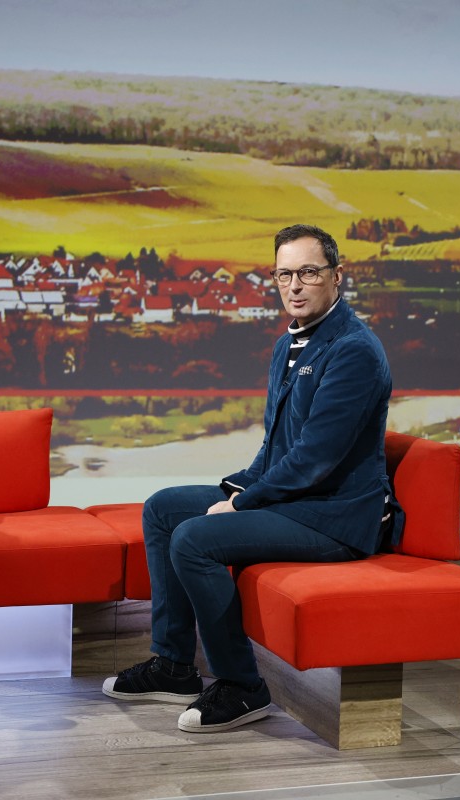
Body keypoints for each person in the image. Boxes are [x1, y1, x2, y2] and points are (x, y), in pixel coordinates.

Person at [102, 224, 401, 733]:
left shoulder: (353, 350)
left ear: (337, 277)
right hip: (296, 501)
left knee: (195, 539)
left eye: (309, 272)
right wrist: (241, 486)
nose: (295, 285)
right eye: (285, 274)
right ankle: (174, 666)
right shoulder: (291, 341)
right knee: (163, 508)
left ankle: (243, 685)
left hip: (333, 516)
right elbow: (277, 442)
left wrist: (243, 505)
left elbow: (314, 458)